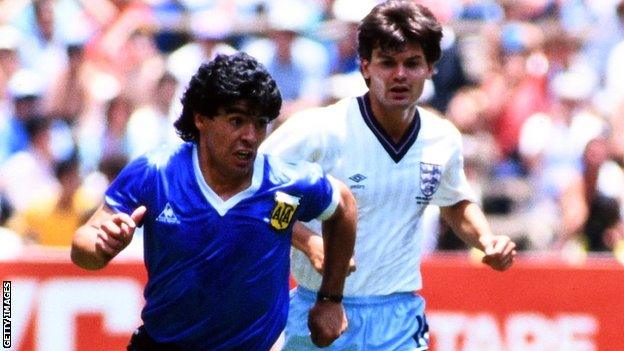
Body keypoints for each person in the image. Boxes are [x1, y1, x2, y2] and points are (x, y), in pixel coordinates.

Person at [259, 1, 517, 350]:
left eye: (412, 63)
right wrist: (309, 243)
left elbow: (455, 201)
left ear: (430, 69)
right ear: (365, 67)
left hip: (397, 316)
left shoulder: (442, 138)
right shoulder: (319, 130)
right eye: (387, 63)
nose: (399, 75)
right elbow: (257, 191)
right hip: (319, 308)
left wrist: (486, 239)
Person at [70, 52, 357, 350]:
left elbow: (344, 205)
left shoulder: (289, 182)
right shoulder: (156, 172)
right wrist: (102, 246)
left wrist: (331, 299)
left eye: (259, 124)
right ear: (201, 118)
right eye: (236, 121)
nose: (250, 136)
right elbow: (83, 247)